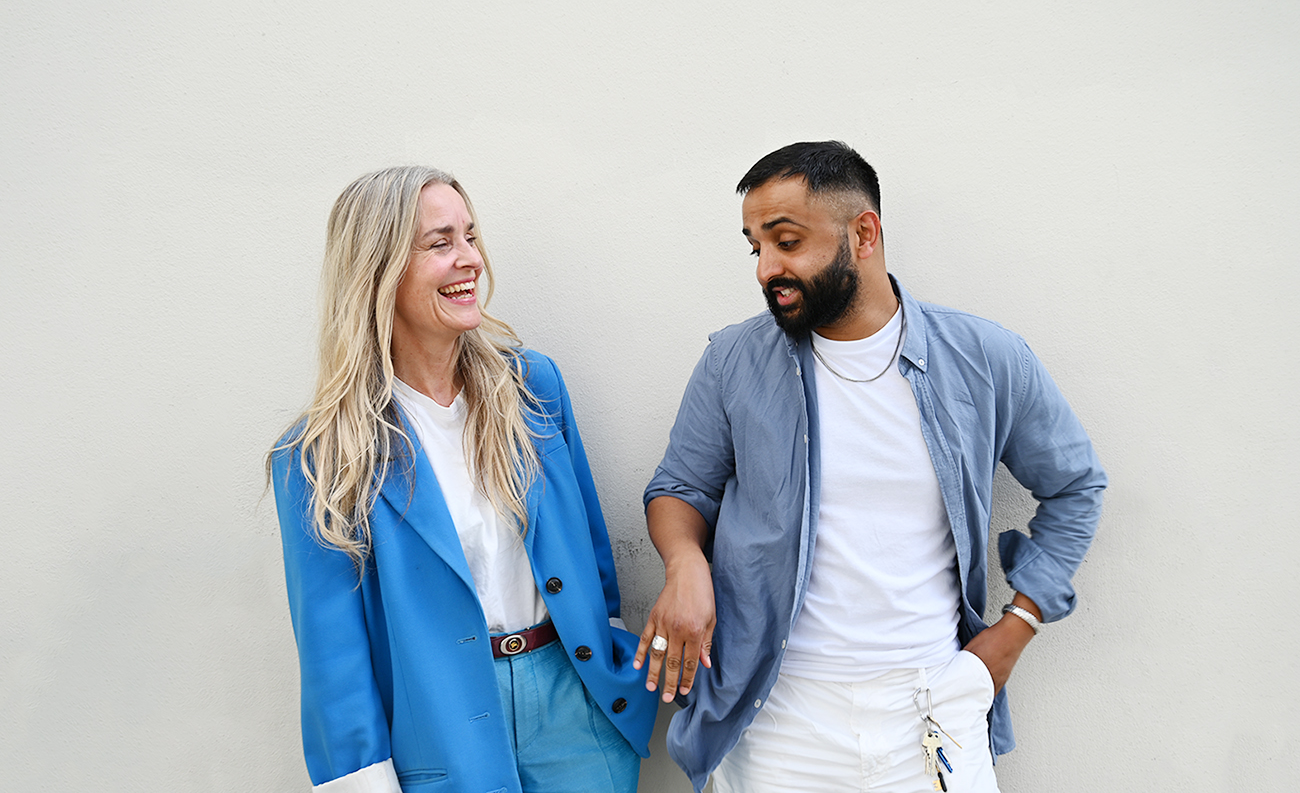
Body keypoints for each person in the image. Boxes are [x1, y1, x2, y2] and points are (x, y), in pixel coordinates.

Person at [635, 142, 1106, 792]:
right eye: (756, 247)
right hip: (779, 721)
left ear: (863, 233)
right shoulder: (734, 360)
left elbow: (1076, 486)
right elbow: (679, 489)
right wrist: (685, 563)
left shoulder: (984, 358)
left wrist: (1016, 627)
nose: (767, 267)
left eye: (787, 241)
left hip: (932, 706)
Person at [269, 166, 654, 793]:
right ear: (379, 271)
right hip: (443, 733)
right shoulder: (322, 456)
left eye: (470, 237)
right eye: (439, 243)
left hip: (572, 707)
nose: (469, 259)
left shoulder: (533, 387)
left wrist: (606, 640)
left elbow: (587, 542)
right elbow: (332, 657)